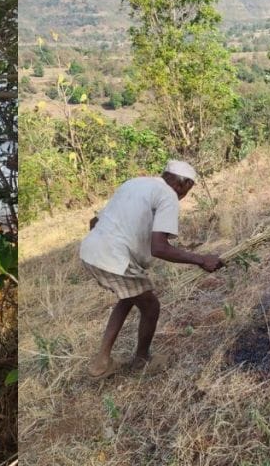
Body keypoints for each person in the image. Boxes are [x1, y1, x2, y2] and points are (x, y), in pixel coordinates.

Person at [80, 160, 225, 378]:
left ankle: (101, 361)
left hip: (90, 250)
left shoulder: (135, 183)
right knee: (151, 307)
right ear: (183, 183)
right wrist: (201, 259)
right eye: (189, 188)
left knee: (129, 297)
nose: (186, 195)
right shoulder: (168, 195)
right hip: (113, 258)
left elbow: (94, 222)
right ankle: (141, 360)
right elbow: (159, 248)